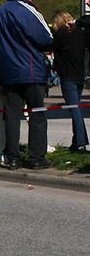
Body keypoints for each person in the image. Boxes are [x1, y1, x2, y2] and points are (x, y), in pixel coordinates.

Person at [0, 0, 53, 170]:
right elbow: (46, 38)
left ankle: (13, 157)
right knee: (36, 115)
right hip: (31, 69)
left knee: (11, 116)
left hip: (9, 72)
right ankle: (37, 158)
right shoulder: (28, 10)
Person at [51, 11, 89, 152]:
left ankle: (80, 142)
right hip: (80, 75)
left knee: (74, 109)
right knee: (76, 108)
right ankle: (76, 141)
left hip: (67, 77)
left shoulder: (60, 34)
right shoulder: (81, 33)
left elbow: (49, 46)